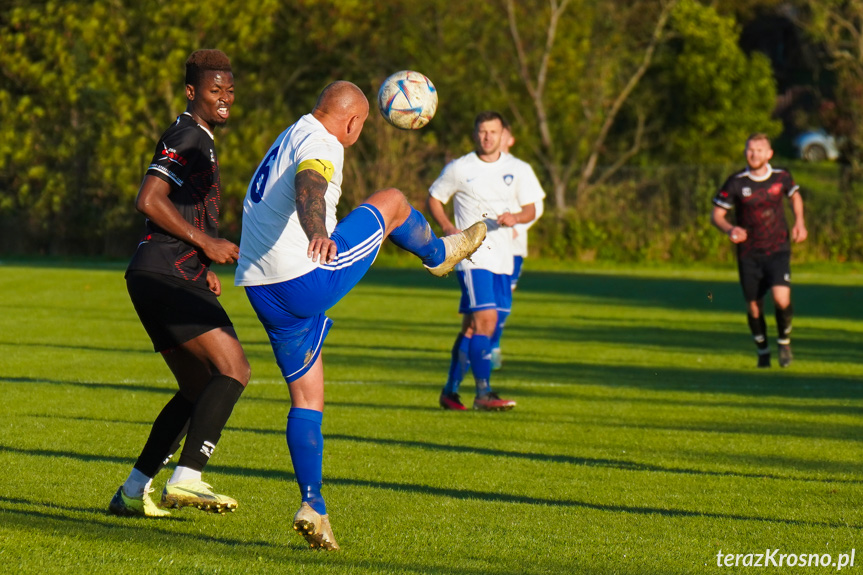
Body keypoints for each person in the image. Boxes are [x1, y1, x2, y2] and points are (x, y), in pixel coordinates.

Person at [234, 80, 486, 550]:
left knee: (308, 397)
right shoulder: (321, 141)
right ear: (352, 121)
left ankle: (314, 505)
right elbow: (311, 183)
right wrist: (317, 231)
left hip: (261, 289)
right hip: (304, 274)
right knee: (391, 201)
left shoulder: (293, 132)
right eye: (363, 126)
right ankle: (439, 253)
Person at [109, 49, 251, 519]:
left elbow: (179, 208)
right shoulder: (189, 135)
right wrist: (205, 243)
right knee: (234, 368)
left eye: (229, 90)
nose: (225, 98)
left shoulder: (199, 136)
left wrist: (199, 258)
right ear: (193, 92)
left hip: (164, 271)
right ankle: (188, 476)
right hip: (165, 271)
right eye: (215, 91)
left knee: (196, 387)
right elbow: (148, 198)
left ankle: (132, 491)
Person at [428, 111, 545, 411]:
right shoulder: (460, 168)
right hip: (473, 257)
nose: (487, 137)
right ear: (475, 133)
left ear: (503, 133)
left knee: (473, 327)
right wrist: (447, 227)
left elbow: (532, 208)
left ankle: (450, 392)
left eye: (493, 131)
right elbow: (434, 198)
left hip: (505, 258)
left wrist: (516, 217)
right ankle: (483, 393)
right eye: (482, 131)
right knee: (487, 321)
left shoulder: (518, 169)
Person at [711, 133, 808, 368]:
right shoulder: (736, 182)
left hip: (778, 248)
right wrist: (729, 229)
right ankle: (763, 350)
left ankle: (784, 342)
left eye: (758, 150)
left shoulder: (781, 177)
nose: (753, 154)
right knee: (754, 306)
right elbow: (717, 215)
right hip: (749, 253)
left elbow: (795, 197)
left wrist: (800, 222)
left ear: (769, 154)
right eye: (750, 150)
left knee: (781, 298)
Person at [489, 122, 545, 370]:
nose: (496, 138)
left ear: (509, 139)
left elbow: (536, 207)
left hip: (513, 248)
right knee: (483, 301)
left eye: (502, 134)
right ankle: (481, 346)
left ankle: (493, 345)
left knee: (503, 299)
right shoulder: (478, 167)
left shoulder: (520, 169)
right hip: (485, 247)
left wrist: (517, 228)